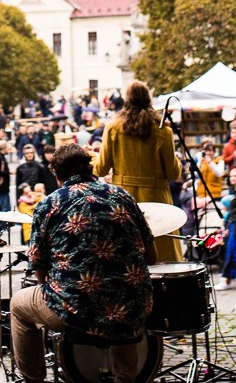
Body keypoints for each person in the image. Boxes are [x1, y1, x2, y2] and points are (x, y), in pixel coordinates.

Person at [12, 144, 154, 383]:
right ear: (90, 168)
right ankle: (126, 378)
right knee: (124, 302)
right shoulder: (122, 195)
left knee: (18, 305)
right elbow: (151, 257)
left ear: (57, 175)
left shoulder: (49, 204)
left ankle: (34, 378)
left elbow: (38, 267)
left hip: (77, 308)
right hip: (130, 304)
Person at [91, 80, 184, 262]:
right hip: (158, 200)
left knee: (128, 254)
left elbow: (101, 169)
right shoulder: (162, 130)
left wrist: (92, 156)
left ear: (127, 99)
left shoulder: (113, 127)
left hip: (124, 198)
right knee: (162, 255)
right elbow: (174, 173)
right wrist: (178, 162)